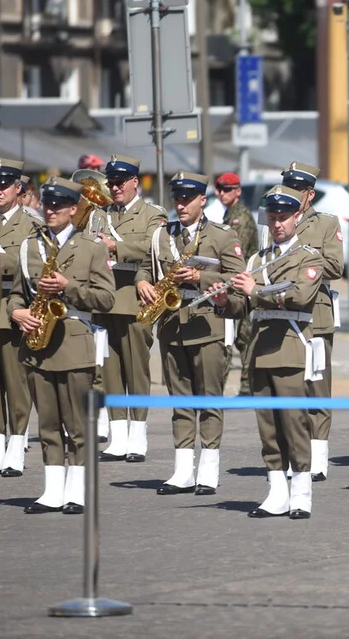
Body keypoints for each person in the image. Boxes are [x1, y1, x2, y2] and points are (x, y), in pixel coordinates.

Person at [211, 185, 324, 519]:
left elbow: (299, 296)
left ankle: (302, 493)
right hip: (260, 350)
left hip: (289, 347)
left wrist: (254, 289)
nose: (277, 224)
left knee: (294, 423)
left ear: (297, 217)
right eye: (272, 217)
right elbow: (242, 304)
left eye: (284, 217)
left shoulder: (308, 257)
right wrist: (224, 300)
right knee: (268, 427)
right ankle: (277, 492)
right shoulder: (258, 259)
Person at [8, 178, 115, 514]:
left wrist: (69, 288)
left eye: (59, 206)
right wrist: (17, 312)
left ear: (73, 209)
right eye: (47, 205)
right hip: (37, 345)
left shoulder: (91, 247)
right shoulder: (29, 246)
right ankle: (53, 490)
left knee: (78, 425)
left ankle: (78, 490)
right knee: (49, 424)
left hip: (74, 344)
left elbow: (106, 298)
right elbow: (14, 293)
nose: (50, 210)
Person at [136, 172, 245, 495]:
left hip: (208, 325)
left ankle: (208, 470)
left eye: (187, 198)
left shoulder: (223, 236)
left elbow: (237, 278)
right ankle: (183, 471)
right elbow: (145, 265)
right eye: (177, 199)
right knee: (180, 401)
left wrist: (200, 276)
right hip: (171, 325)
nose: (181, 204)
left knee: (209, 399)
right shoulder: (162, 235)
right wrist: (142, 282)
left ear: (202, 200)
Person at [91, 155, 166, 462]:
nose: (115, 187)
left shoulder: (153, 214)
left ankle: (138, 437)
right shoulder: (100, 213)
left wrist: (115, 247)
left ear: (135, 181)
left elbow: (155, 246)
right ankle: (117, 436)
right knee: (109, 370)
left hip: (136, 297)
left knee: (136, 370)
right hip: (105, 297)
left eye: (120, 182)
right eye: (111, 182)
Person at [0, 159, 42, 477]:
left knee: (16, 383)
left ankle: (17, 447)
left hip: (16, 309)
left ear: (19, 189)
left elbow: (28, 263)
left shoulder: (32, 223)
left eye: (4, 185)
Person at [282, 162, 344, 481]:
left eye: (296, 190)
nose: (289, 195)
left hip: (316, 315)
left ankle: (319, 457)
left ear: (309, 195)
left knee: (318, 388)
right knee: (291, 389)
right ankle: (297, 453)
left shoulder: (326, 223)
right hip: (285, 314)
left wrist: (303, 258)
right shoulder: (278, 222)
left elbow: (335, 266)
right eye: (287, 187)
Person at [215, 171, 259, 396]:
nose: (222, 193)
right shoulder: (230, 215)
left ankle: (246, 388)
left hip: (240, 284)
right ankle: (245, 387)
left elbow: (235, 255)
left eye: (228, 189)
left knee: (242, 338)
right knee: (239, 338)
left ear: (238, 191)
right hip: (235, 283)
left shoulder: (238, 217)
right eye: (220, 189)